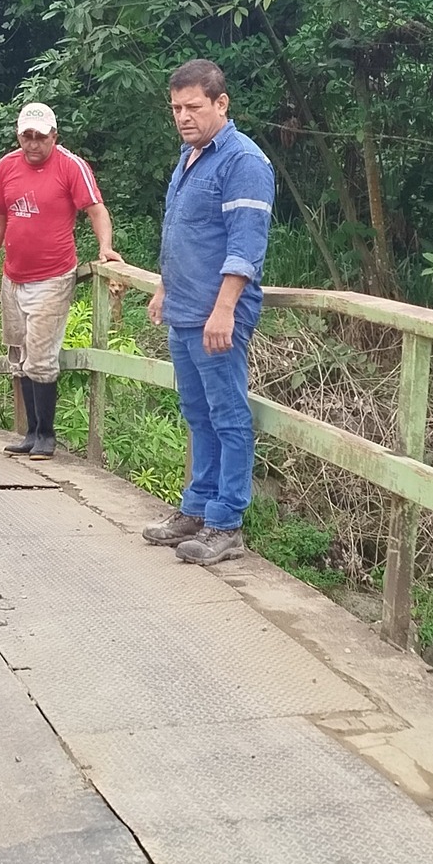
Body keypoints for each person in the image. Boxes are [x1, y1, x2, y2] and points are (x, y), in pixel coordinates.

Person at [140, 60, 274, 565]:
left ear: (221, 103)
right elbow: (183, 233)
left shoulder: (244, 162)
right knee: (197, 413)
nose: (182, 116)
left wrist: (224, 310)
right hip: (184, 308)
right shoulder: (190, 157)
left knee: (228, 416)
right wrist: (164, 286)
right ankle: (196, 509)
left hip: (218, 315)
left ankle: (226, 522)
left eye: (193, 106)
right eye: (176, 108)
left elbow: (245, 246)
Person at [0, 102, 122, 460]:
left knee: (41, 356)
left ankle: (46, 434)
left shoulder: (71, 166)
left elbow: (96, 210)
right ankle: (30, 431)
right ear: (18, 135)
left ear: (54, 136)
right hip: (14, 276)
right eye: (26, 136)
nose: (33, 143)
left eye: (40, 137)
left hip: (53, 276)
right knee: (20, 353)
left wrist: (105, 247)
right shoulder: (6, 167)